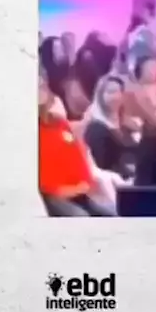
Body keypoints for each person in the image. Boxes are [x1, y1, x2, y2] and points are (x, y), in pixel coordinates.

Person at [38, 68, 116, 217]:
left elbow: (76, 156)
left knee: (111, 215)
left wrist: (84, 183)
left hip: (79, 193)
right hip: (53, 196)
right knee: (82, 218)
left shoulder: (60, 123)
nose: (40, 89)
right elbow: (44, 182)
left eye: (42, 85)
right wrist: (69, 190)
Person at [84, 76, 138, 180]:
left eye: (119, 91)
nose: (116, 96)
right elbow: (102, 166)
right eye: (110, 92)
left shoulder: (127, 125)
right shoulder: (96, 129)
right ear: (100, 96)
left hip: (135, 175)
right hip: (117, 181)